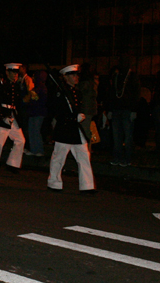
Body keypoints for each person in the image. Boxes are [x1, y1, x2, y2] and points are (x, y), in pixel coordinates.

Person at [47, 65, 96, 194]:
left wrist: (77, 117)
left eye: (76, 75)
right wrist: (74, 117)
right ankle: (54, 183)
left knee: (84, 156)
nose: (76, 77)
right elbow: (58, 112)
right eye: (73, 75)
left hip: (75, 129)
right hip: (65, 129)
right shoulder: (60, 93)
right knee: (59, 157)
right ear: (66, 77)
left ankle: (87, 185)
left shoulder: (76, 92)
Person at [0, 63, 26, 175]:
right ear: (7, 73)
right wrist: (2, 116)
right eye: (13, 72)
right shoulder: (2, 86)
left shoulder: (16, 86)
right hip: (4, 115)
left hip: (13, 115)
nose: (15, 75)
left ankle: (13, 163)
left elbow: (17, 103)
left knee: (20, 140)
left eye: (16, 72)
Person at [106, 56, 141, 166]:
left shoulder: (132, 76)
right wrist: (110, 109)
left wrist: (134, 110)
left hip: (127, 110)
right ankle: (118, 157)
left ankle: (127, 158)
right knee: (117, 136)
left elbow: (136, 93)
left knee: (127, 136)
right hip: (117, 110)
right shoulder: (116, 76)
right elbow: (112, 93)